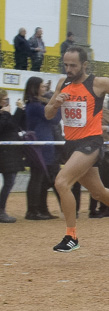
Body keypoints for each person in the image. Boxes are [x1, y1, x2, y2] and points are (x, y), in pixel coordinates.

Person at [46, 46, 109, 252]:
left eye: (73, 65)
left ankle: (71, 236)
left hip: (91, 142)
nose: (69, 69)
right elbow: (48, 114)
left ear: (84, 65)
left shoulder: (98, 84)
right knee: (98, 192)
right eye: (66, 65)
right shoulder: (62, 83)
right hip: (71, 144)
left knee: (62, 182)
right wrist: (55, 103)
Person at [23, 77, 61, 220]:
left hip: (44, 144)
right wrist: (57, 105)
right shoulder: (35, 106)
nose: (44, 88)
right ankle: (33, 210)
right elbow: (55, 119)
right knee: (37, 178)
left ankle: (42, 209)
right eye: (42, 87)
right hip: (41, 145)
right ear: (36, 88)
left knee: (42, 179)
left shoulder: (35, 104)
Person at [0, 90, 22, 222]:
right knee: (9, 181)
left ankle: (1, 210)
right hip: (4, 153)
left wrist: (19, 110)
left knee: (9, 181)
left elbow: (13, 126)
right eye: (4, 100)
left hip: (8, 153)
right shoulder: (3, 114)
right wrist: (7, 113)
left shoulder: (4, 113)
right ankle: (1, 211)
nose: (6, 102)